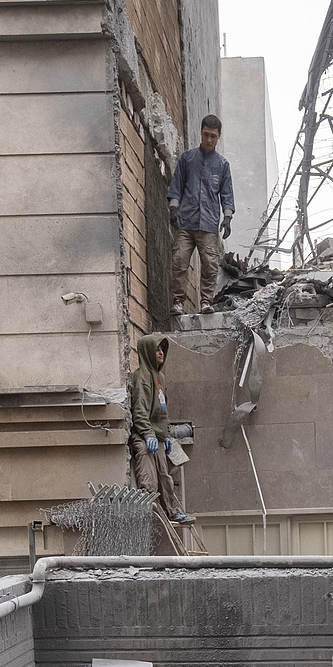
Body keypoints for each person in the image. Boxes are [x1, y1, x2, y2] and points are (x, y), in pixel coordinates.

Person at [168, 113, 233, 314]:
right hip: (185, 222)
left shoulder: (222, 165)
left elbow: (227, 194)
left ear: (218, 136)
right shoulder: (188, 159)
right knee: (179, 261)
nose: (208, 140)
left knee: (210, 264)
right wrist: (173, 207)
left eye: (213, 136)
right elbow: (176, 185)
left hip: (208, 224)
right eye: (206, 135)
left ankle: (206, 301)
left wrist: (228, 217)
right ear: (201, 133)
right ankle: (178, 301)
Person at [126, 334, 190, 526]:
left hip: (159, 436)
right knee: (149, 477)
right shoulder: (141, 377)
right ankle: (151, 513)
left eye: (163, 349)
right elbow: (140, 409)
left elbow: (163, 411)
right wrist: (147, 433)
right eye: (157, 349)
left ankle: (171, 511)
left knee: (165, 476)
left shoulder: (160, 377)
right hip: (144, 436)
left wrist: (167, 435)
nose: (161, 352)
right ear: (147, 352)